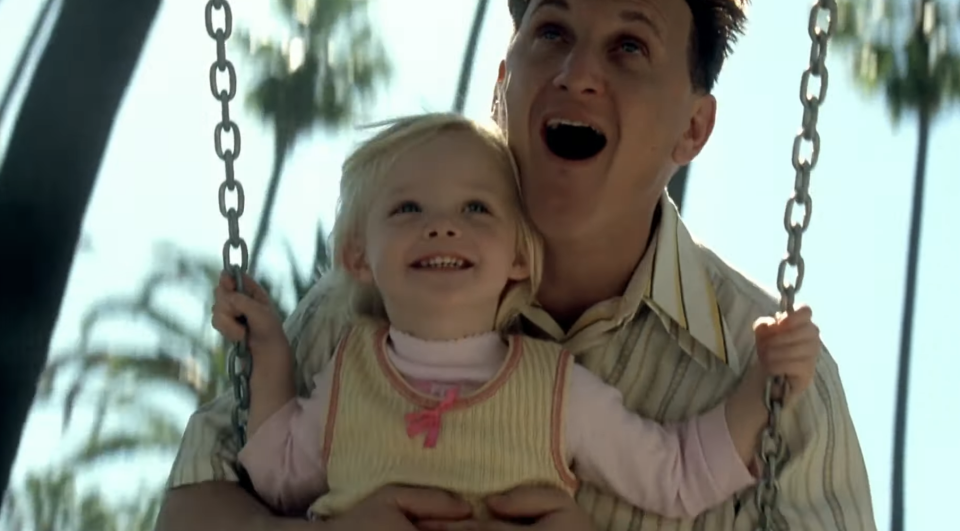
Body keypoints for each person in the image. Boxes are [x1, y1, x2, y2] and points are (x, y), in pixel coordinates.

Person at [156, 1, 877, 530]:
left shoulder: (786, 388)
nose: (578, 74)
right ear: (503, 86)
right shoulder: (355, 315)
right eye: (553, 32)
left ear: (692, 126)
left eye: (629, 46)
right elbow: (196, 500)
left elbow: (684, 468)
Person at [208, 112, 822, 524]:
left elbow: (676, 472)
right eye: (407, 208)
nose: (442, 225)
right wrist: (271, 353)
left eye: (476, 208)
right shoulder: (348, 374)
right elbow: (276, 471)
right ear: (357, 257)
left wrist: (756, 388)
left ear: (519, 261)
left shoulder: (555, 391)